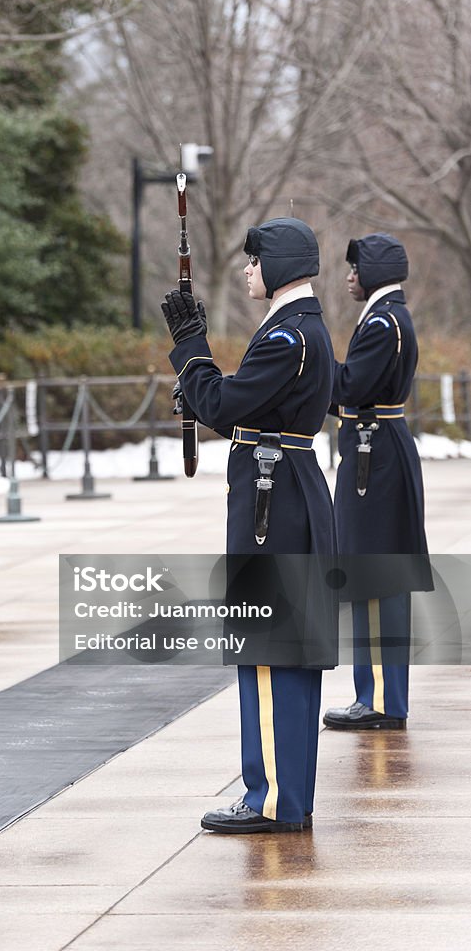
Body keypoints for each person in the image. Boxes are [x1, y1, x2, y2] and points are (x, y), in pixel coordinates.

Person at [161, 217, 336, 834]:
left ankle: (269, 801)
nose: (246, 270)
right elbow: (240, 405)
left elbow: (226, 406)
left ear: (279, 268)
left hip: (274, 501)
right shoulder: (301, 329)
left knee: (266, 655)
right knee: (288, 656)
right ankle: (290, 797)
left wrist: (189, 348)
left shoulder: (288, 337)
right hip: (287, 490)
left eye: (255, 261)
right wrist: (203, 380)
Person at [323, 234, 428, 730]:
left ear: (376, 271)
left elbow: (350, 387)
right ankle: (376, 694)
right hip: (376, 447)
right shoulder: (384, 317)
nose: (349, 275)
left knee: (377, 577)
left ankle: (382, 701)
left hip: (375, 452)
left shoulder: (384, 322)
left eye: (355, 267)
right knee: (370, 576)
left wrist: (307, 372)